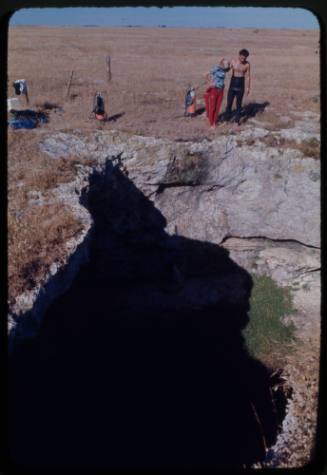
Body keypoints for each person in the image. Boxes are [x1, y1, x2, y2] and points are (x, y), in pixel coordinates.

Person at [224, 49, 251, 125]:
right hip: (233, 84)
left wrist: (248, 88)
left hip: (241, 85)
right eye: (242, 56)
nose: (244, 58)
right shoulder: (233, 61)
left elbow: (248, 76)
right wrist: (226, 65)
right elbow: (227, 70)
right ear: (239, 55)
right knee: (229, 103)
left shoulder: (247, 64)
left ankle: (237, 121)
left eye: (245, 57)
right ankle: (226, 119)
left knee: (238, 104)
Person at [204, 57, 230, 129]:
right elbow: (205, 74)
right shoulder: (216, 68)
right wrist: (210, 83)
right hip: (214, 89)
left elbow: (229, 68)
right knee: (212, 107)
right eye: (225, 64)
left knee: (218, 107)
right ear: (222, 64)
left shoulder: (224, 70)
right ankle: (211, 123)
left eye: (227, 64)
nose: (226, 66)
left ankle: (214, 122)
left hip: (221, 90)